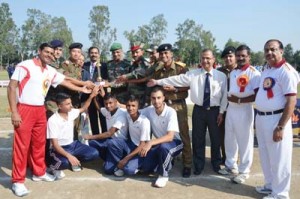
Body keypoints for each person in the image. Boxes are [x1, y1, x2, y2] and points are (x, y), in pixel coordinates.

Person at [7, 42, 92, 197]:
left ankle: (39, 172)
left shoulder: (50, 70)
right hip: (24, 108)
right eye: (46, 52)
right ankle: (18, 181)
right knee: (22, 146)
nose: (49, 55)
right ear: (39, 51)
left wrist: (82, 88)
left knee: (39, 143)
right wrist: (14, 111)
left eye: (52, 53)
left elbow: (65, 80)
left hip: (40, 109)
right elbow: (12, 87)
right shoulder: (25, 65)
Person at [148, 49, 227, 175]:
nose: (205, 61)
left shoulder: (221, 76)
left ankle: (216, 164)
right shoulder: (193, 74)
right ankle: (198, 164)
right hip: (199, 110)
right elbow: (176, 79)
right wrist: (158, 82)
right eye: (202, 58)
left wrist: (221, 112)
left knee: (215, 139)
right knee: (198, 139)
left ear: (213, 59)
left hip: (214, 111)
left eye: (208, 58)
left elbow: (224, 96)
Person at [255, 39, 299, 199]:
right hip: (261, 118)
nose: (269, 53)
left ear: (281, 51)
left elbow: (291, 101)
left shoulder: (286, 71)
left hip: (277, 119)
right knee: (266, 155)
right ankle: (270, 185)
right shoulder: (267, 69)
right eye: (266, 50)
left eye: (273, 49)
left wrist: (280, 127)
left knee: (280, 158)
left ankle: (281, 193)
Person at [218, 45, 261, 185]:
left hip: (244, 109)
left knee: (245, 141)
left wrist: (240, 100)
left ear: (249, 57)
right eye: (239, 55)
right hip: (232, 109)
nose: (241, 58)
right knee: (229, 139)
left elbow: (257, 95)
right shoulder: (234, 72)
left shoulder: (254, 73)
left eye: (243, 55)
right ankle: (231, 166)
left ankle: (244, 171)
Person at [151, 43, 192, 178]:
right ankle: (170, 157)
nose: (164, 56)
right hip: (164, 107)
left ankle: (187, 164)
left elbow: (188, 86)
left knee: (184, 135)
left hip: (178, 105)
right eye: (161, 54)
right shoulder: (159, 70)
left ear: (171, 54)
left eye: (166, 53)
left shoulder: (181, 68)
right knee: (165, 134)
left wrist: (175, 89)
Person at [47, 86, 101, 179]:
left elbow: (83, 108)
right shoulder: (53, 120)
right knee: (64, 163)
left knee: (94, 153)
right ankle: (52, 168)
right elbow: (55, 145)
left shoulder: (71, 112)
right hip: (59, 148)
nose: (71, 106)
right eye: (68, 104)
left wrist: (91, 96)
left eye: (70, 103)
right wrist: (69, 156)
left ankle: (74, 160)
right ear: (60, 106)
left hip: (73, 145)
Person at [139, 87, 183, 188]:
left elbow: (170, 137)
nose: (156, 101)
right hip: (160, 143)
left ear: (163, 98)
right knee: (146, 168)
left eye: (159, 98)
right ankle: (166, 161)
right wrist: (117, 104)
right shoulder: (149, 110)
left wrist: (150, 142)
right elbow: (134, 110)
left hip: (175, 143)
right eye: (153, 98)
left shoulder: (171, 112)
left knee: (164, 147)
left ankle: (163, 175)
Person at [104, 95, 151, 176]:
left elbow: (142, 144)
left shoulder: (144, 121)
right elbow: (114, 105)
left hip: (140, 149)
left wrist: (125, 159)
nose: (130, 108)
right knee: (111, 143)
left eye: (133, 106)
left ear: (138, 107)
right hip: (130, 145)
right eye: (128, 106)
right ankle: (120, 163)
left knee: (129, 170)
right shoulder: (127, 114)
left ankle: (140, 165)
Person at [84, 93, 128, 161]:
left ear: (116, 102)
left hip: (120, 142)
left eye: (110, 103)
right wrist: (94, 97)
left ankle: (120, 159)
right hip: (111, 140)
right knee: (92, 143)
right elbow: (99, 109)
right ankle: (108, 159)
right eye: (106, 103)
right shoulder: (107, 111)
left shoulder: (121, 114)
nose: (108, 106)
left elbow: (109, 133)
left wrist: (90, 137)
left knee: (108, 169)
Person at [217, 46, 237, 164]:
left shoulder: (240, 71)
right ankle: (225, 158)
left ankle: (236, 159)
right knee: (223, 134)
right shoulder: (219, 72)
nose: (228, 59)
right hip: (222, 107)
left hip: (238, 107)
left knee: (237, 134)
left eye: (231, 56)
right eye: (226, 57)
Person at [82, 46, 108, 134]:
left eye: (96, 53)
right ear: (89, 54)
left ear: (99, 54)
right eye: (92, 53)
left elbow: (108, 80)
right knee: (93, 119)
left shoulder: (104, 66)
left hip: (101, 96)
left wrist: (102, 83)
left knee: (103, 118)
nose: (94, 55)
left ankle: (105, 139)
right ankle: (95, 140)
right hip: (89, 96)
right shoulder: (84, 65)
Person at [61, 42, 84, 140]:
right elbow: (67, 79)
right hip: (66, 98)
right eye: (74, 51)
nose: (76, 54)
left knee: (76, 123)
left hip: (76, 99)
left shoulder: (78, 66)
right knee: (66, 123)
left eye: (78, 52)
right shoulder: (65, 64)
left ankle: (74, 143)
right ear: (70, 52)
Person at [117, 41, 151, 107]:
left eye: (137, 52)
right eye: (133, 52)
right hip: (132, 95)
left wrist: (125, 76)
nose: (135, 54)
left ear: (142, 52)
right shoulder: (133, 64)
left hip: (141, 97)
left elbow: (139, 73)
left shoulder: (144, 64)